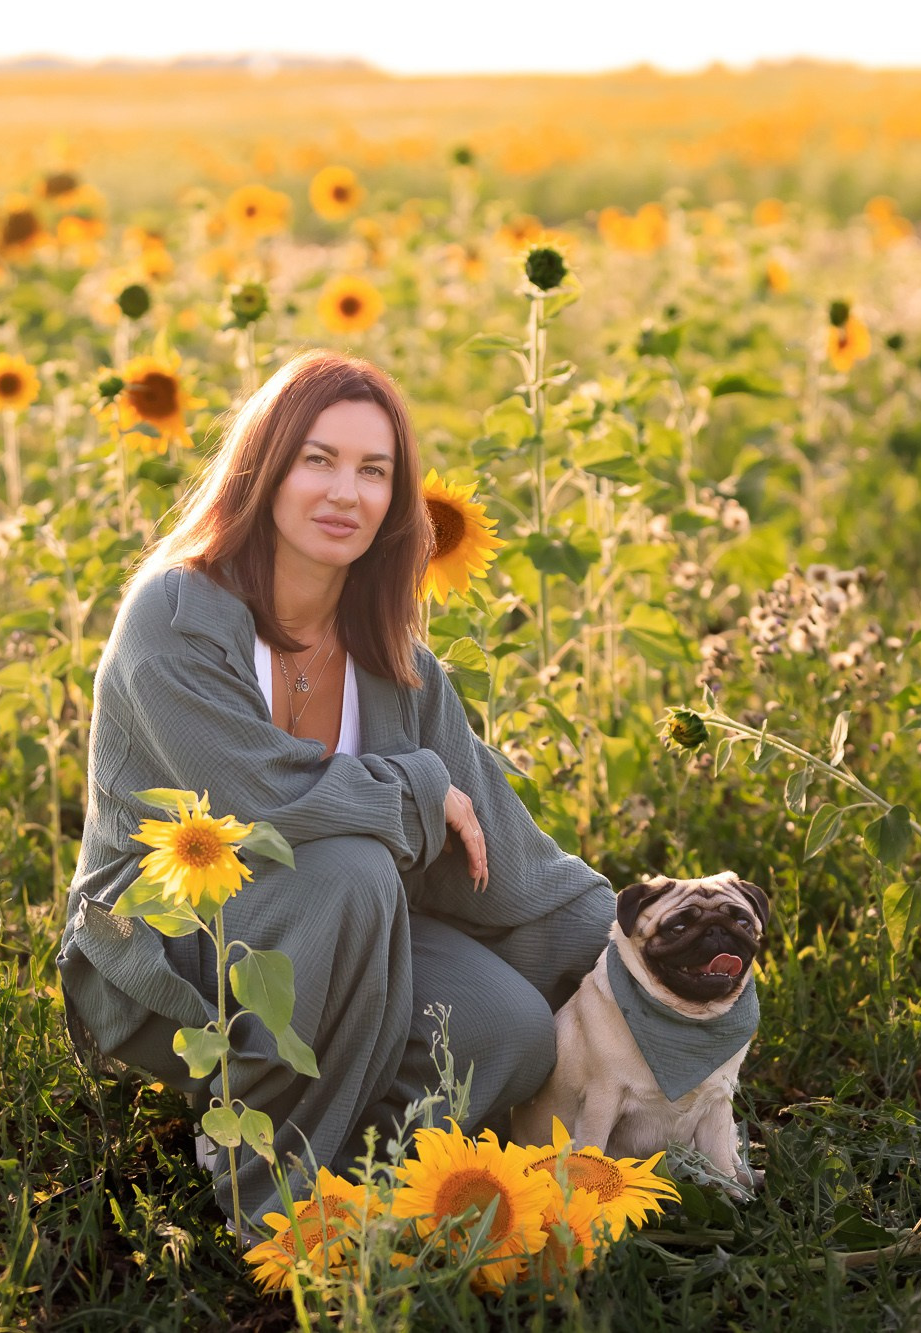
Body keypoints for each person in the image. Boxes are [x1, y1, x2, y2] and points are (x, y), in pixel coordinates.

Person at [55, 348, 613, 1229]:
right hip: (169, 946)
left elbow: (511, 860)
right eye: (317, 459)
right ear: (264, 469)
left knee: (505, 1026)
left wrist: (650, 954)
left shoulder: (397, 667)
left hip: (339, 939)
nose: (344, 492)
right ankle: (274, 1207)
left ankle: (368, 1190)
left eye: (373, 470)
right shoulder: (175, 615)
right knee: (351, 869)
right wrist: (415, 790)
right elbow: (252, 800)